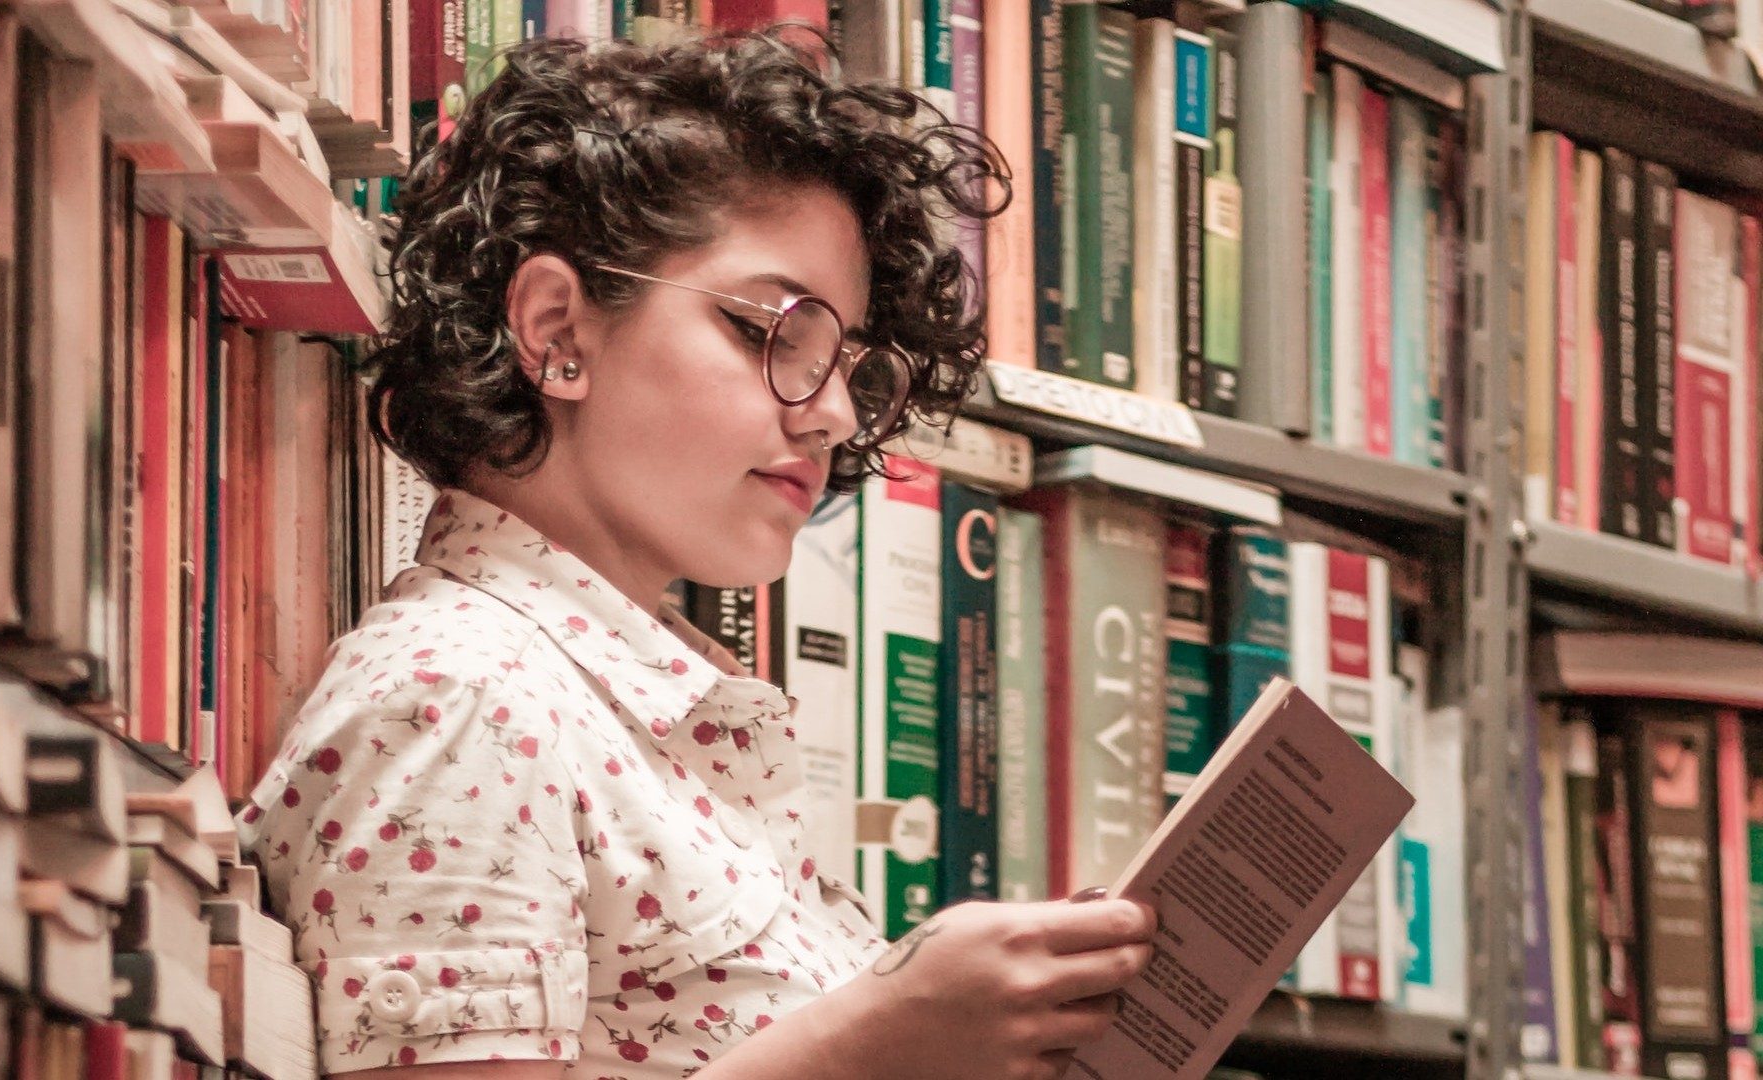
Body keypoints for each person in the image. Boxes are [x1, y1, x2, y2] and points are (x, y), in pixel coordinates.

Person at [235, 26, 1159, 1080]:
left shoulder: (651, 731)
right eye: (771, 333)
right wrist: (875, 1041)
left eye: (852, 366)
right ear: (555, 331)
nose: (832, 417)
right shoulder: (461, 700)